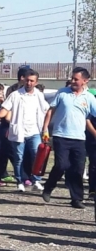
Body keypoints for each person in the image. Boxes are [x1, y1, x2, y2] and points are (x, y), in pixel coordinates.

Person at [41, 67, 96, 209]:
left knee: (77, 169)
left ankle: (76, 199)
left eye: (75, 79)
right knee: (62, 165)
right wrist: (45, 128)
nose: (72, 81)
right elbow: (51, 111)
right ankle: (49, 186)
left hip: (79, 138)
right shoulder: (62, 93)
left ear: (85, 81)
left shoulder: (89, 98)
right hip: (61, 135)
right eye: (72, 78)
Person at [0, 69, 49, 192]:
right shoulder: (15, 95)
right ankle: (19, 181)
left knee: (37, 156)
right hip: (19, 132)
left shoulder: (39, 95)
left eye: (32, 81)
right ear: (23, 80)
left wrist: (45, 128)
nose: (29, 83)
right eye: (27, 80)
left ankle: (36, 180)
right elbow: (5, 109)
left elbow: (47, 110)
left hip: (34, 131)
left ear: (36, 82)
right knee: (19, 157)